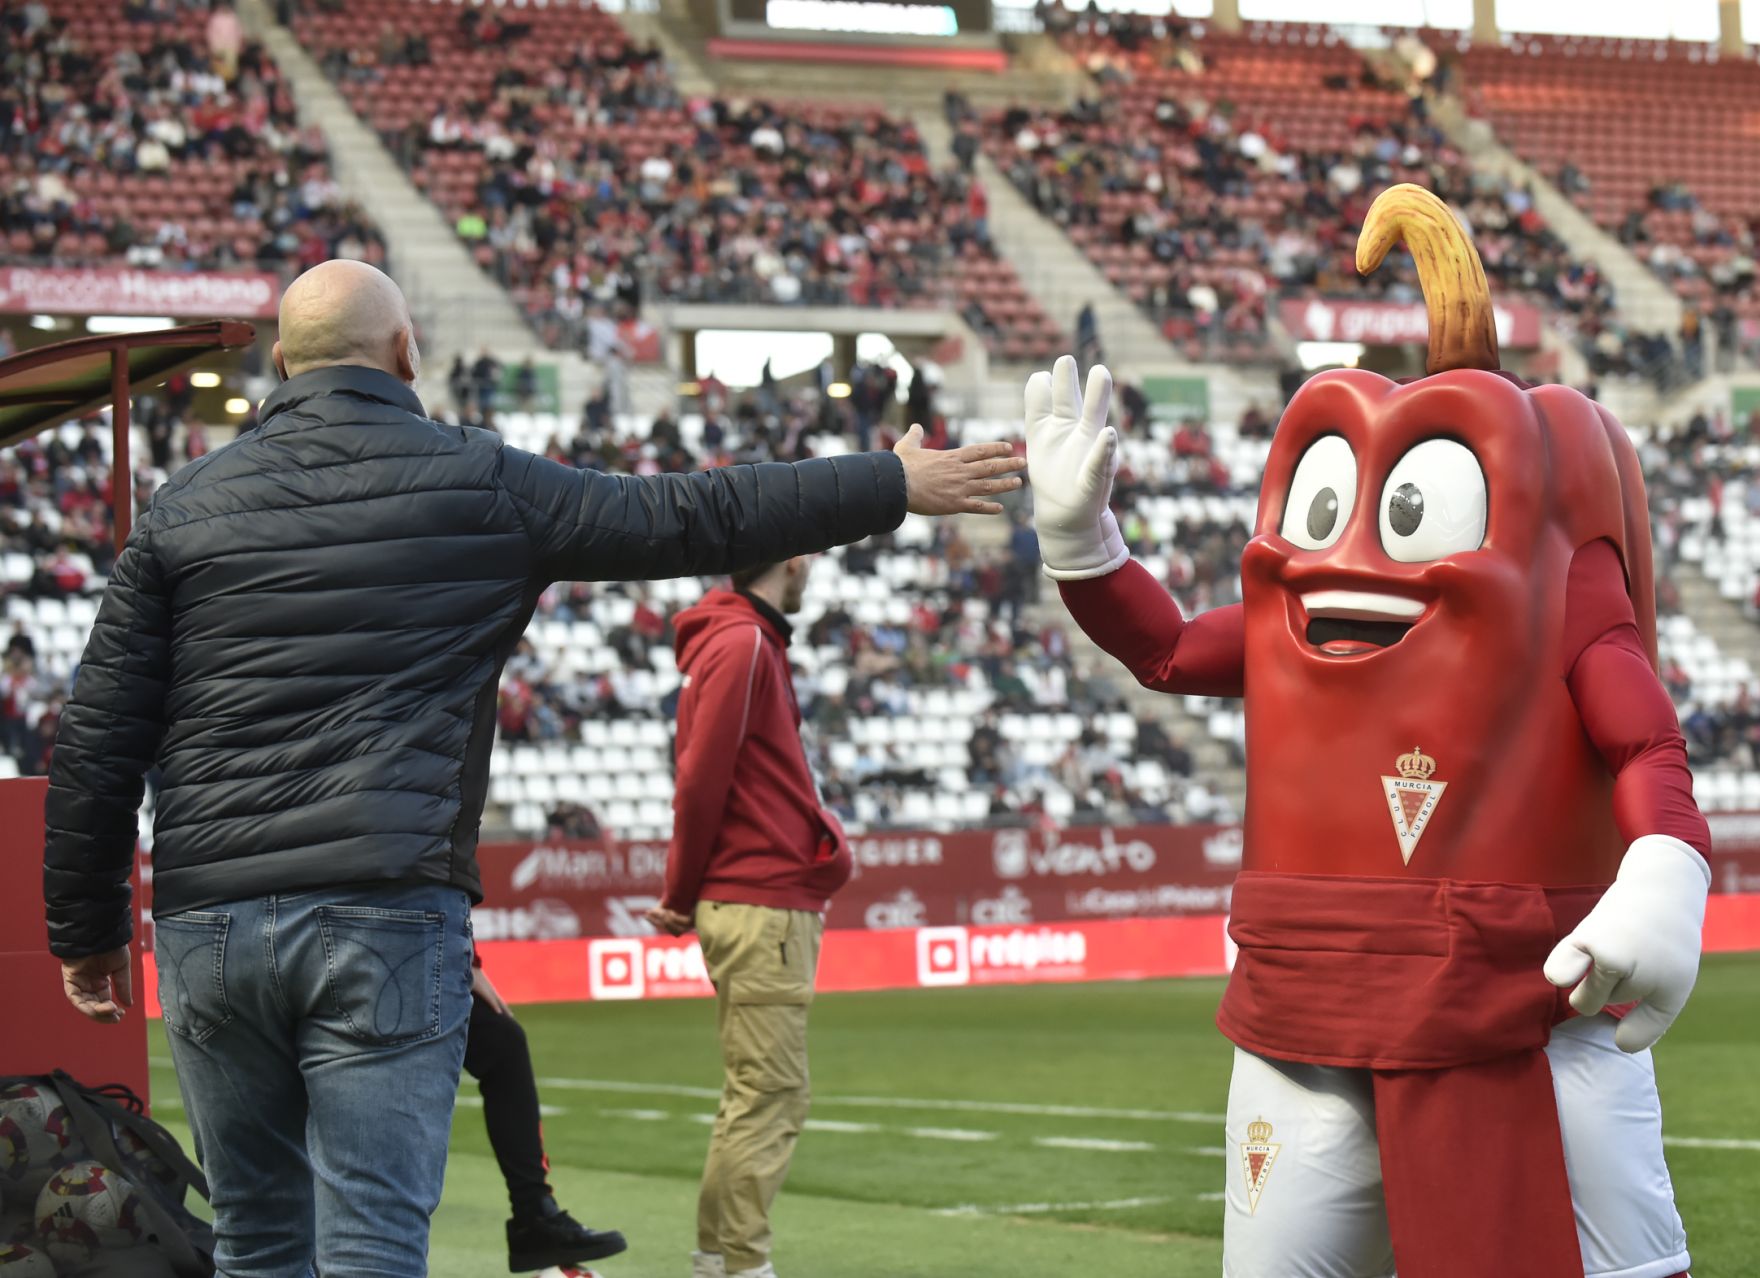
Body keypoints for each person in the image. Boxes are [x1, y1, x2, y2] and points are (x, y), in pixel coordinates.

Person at [43, 259, 1024, 1278]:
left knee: (254, 1240)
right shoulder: (480, 481)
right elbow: (688, 515)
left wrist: (85, 928)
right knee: (372, 1242)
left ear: (281, 363)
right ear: (406, 353)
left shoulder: (183, 506)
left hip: (212, 920)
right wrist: (888, 483)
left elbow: (101, 729)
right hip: (383, 909)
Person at [1025, 185, 1706, 1278]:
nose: (1347, 550)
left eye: (1401, 511)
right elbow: (1162, 650)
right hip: (1305, 992)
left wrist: (1664, 870)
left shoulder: (1560, 569)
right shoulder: (1287, 620)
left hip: (1512, 1001)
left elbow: (1643, 741)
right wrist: (1084, 546)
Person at [646, 555, 843, 1278]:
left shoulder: (736, 639)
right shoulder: (745, 642)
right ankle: (742, 1266)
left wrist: (684, 889)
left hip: (751, 897)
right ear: (792, 559)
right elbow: (701, 778)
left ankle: (714, 1259)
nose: (814, 565)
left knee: (750, 1096)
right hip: (762, 900)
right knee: (771, 1097)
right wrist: (677, 890)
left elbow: (703, 776)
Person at [465, 961, 626, 1275]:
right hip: (393, 947)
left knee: (502, 1041)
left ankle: (534, 1214)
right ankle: (533, 1214)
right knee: (501, 1044)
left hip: (413, 948)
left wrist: (468, 961)